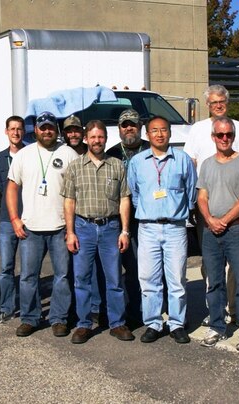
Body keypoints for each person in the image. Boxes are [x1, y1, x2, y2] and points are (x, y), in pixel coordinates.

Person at [184, 84, 239, 326]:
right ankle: (216, 311)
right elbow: (190, 167)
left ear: (227, 103)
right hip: (206, 211)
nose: (218, 105)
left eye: (222, 102)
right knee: (211, 266)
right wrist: (197, 209)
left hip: (236, 211)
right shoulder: (197, 130)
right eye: (214, 102)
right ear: (207, 105)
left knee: (237, 268)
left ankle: (236, 310)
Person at [7, 111, 79, 337]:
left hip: (60, 228)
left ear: (56, 130)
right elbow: (11, 187)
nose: (47, 131)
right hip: (31, 229)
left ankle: (59, 318)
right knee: (28, 277)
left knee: (62, 276)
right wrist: (14, 219)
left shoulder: (68, 153)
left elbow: (77, 191)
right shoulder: (24, 155)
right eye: (42, 127)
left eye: (50, 127)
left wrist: (71, 228)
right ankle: (30, 318)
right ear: (35, 130)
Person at [62, 120, 134, 344]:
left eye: (100, 137)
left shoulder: (117, 165)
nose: (96, 141)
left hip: (111, 228)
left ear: (105, 138)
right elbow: (69, 202)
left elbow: (124, 199)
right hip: (83, 228)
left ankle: (117, 323)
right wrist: (70, 232)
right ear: (86, 139)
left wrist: (124, 231)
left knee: (114, 279)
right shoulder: (75, 167)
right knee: (81, 279)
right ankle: (84, 324)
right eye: (92, 137)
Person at [127, 116, 196, 344]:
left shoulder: (183, 159)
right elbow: (134, 194)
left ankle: (177, 323)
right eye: (154, 130)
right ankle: (154, 323)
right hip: (147, 227)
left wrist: (178, 212)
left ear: (170, 133)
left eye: (163, 130)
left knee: (177, 278)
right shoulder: (137, 162)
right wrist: (149, 210)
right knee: (148, 279)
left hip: (175, 228)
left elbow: (191, 192)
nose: (159, 134)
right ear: (147, 134)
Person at [196, 117, 239, 350]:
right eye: (220, 135)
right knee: (214, 283)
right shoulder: (207, 165)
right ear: (213, 137)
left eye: (228, 135)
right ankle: (217, 326)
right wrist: (210, 220)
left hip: (236, 230)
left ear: (234, 136)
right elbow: (201, 197)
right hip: (211, 232)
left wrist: (224, 220)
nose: (224, 139)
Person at [105, 109, 149, 322]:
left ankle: (156, 308)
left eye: (133, 124)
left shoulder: (151, 148)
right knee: (129, 265)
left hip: (148, 217)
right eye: (125, 125)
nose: (129, 128)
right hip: (122, 218)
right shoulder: (111, 153)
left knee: (151, 265)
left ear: (140, 126)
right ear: (119, 129)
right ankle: (133, 309)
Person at [62, 114, 102, 324]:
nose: (73, 134)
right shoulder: (62, 154)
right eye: (69, 131)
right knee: (70, 268)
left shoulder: (95, 154)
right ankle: (72, 308)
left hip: (90, 219)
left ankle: (94, 307)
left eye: (76, 130)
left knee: (92, 268)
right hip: (69, 219)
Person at [0, 116, 25, 324]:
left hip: (29, 217)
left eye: (19, 129)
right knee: (6, 267)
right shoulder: (0, 158)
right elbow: (1, 188)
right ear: (6, 132)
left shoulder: (31, 153)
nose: (15, 132)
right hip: (6, 220)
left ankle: (32, 308)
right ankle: (7, 308)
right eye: (12, 129)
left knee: (30, 269)